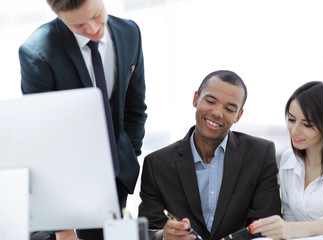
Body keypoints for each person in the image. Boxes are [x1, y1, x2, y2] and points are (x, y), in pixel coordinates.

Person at [19, 0, 147, 239]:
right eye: (78, 25)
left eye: (97, 15)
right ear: (58, 15)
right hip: (66, 187)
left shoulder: (130, 33)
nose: (92, 29)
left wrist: (127, 158)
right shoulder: (38, 53)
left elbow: (135, 110)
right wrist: (63, 229)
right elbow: (41, 141)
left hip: (117, 177)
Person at [138, 70, 281, 240]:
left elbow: (266, 226)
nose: (217, 113)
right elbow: (147, 232)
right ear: (195, 99)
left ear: (238, 116)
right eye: (210, 101)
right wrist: (164, 235)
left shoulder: (260, 154)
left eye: (229, 108)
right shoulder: (157, 164)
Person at [250, 81, 323, 239]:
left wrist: (293, 229)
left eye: (307, 124)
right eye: (292, 119)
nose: (294, 131)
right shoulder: (289, 159)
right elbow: (289, 215)